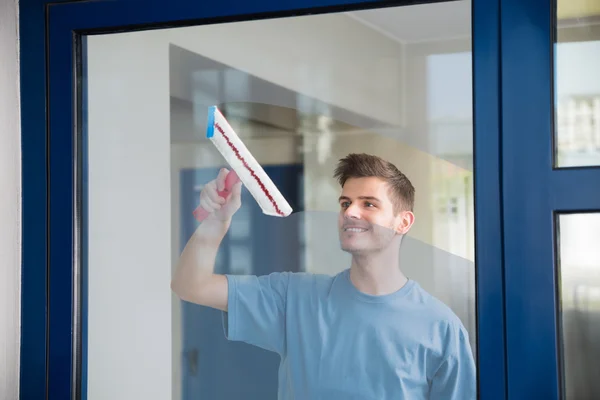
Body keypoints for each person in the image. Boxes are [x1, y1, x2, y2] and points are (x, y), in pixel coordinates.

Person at [171, 153, 476, 399]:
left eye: (368, 203)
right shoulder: (295, 298)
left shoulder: (440, 327)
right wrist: (217, 222)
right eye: (345, 203)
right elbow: (190, 285)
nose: (350, 212)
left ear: (403, 222)